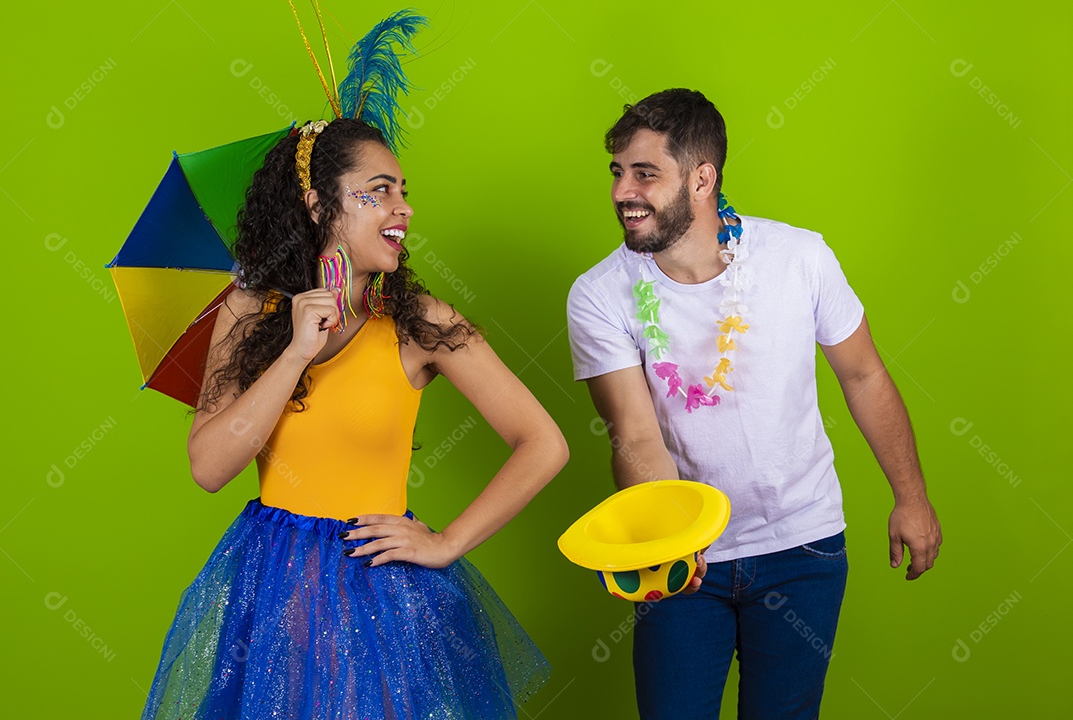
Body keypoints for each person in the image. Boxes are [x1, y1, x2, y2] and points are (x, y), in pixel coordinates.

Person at [140, 117, 568, 719]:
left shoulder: (422, 323)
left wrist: (448, 543)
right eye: (379, 191)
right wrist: (294, 352)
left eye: (403, 190)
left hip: (378, 592)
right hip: (274, 590)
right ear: (319, 206)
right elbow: (209, 467)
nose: (404, 209)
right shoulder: (248, 309)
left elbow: (543, 443)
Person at [566, 89, 942, 719]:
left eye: (645, 173)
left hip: (803, 546)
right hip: (684, 560)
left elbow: (864, 375)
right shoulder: (600, 294)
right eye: (617, 173)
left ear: (702, 178)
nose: (622, 192)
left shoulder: (798, 257)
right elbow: (635, 434)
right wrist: (672, 547)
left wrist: (911, 496)